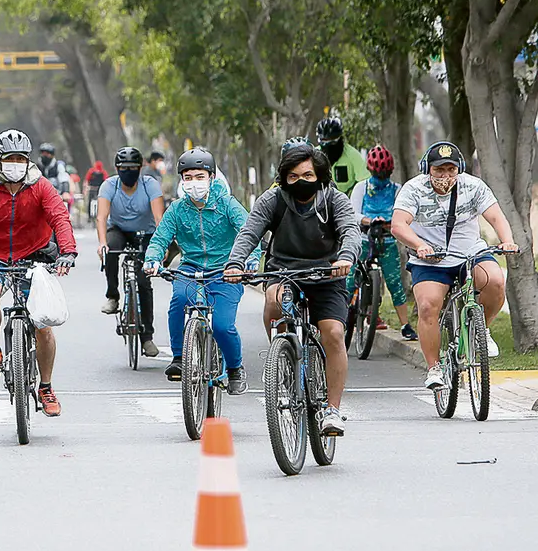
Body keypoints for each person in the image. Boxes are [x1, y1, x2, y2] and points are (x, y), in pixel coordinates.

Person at [225, 143, 360, 436]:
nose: (301, 181)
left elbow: (350, 231)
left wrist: (346, 257)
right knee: (273, 300)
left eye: (308, 175)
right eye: (294, 176)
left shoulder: (334, 199)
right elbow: (249, 231)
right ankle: (283, 355)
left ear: (319, 176)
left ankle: (333, 410)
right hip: (284, 272)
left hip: (327, 275)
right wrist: (235, 263)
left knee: (334, 334)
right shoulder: (272, 199)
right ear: (284, 178)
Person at [0, 129, 77, 417]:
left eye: (20, 159)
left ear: (28, 160)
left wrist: (67, 252)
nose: (15, 164)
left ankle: (46, 387)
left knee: (42, 323)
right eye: (10, 158)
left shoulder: (40, 186)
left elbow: (59, 217)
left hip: (34, 255)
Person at [390, 142, 519, 389]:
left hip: (470, 254)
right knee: (428, 305)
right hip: (430, 259)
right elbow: (398, 225)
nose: (445, 176)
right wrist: (420, 245)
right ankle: (434, 368)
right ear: (427, 169)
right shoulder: (413, 189)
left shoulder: (473, 186)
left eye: (451, 169)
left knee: (495, 281)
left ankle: (480, 330)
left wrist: (507, 240)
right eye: (439, 170)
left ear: (459, 168)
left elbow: (495, 216)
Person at [143, 148, 258, 391]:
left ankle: (235, 369)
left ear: (211, 177)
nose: (193, 182)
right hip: (191, 268)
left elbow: (249, 232)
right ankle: (179, 357)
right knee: (179, 301)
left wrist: (250, 259)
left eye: (199, 177)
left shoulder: (227, 204)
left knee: (222, 326)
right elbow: (160, 239)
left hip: (227, 270)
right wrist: (152, 259)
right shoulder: (177, 209)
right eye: (188, 177)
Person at [96, 147, 163, 357]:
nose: (128, 172)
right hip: (120, 230)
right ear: (117, 169)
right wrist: (102, 243)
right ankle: (113, 296)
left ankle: (147, 337)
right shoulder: (109, 186)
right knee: (111, 250)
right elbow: (101, 217)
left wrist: (160, 246)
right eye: (123, 168)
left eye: (133, 168)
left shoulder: (150, 185)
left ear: (140, 168)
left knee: (143, 281)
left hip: (146, 233)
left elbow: (159, 218)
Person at [346, 145, 417, 340]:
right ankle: (340, 317)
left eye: (384, 175)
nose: (381, 178)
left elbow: (403, 212)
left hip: (387, 241)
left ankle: (405, 325)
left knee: (395, 283)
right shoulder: (361, 188)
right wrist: (369, 221)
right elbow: (353, 213)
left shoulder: (397, 190)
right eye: (378, 174)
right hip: (364, 240)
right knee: (350, 280)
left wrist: (389, 223)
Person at [316, 117, 369, 195]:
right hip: (321, 198)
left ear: (340, 138)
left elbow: (365, 181)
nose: (328, 146)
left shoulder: (352, 155)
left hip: (347, 198)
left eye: (332, 142)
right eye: (324, 141)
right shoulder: (314, 155)